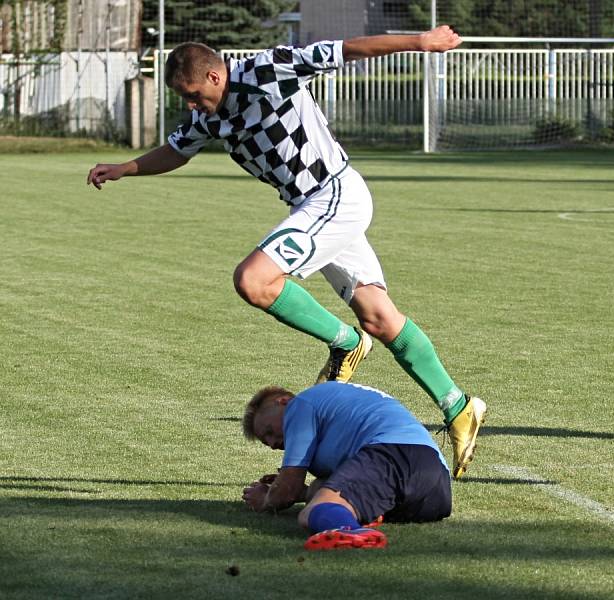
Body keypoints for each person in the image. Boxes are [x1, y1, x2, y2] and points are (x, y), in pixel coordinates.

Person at [86, 27, 486, 478]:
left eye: (194, 94)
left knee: (254, 280)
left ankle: (347, 343)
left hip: (333, 194)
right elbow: (177, 151)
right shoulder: (208, 117)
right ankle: (458, 406)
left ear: (215, 77)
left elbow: (345, 49)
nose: (191, 105)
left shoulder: (266, 70)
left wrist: (421, 41)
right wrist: (123, 169)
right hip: (312, 205)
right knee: (380, 317)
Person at [241, 382, 452, 550]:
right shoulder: (337, 410)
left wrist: (265, 499)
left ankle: (350, 530)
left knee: (309, 514)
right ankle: (355, 516)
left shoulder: (300, 405)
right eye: (265, 442)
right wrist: (303, 493)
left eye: (269, 431)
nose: (272, 444)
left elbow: (285, 492)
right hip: (436, 489)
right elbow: (326, 485)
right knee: (321, 497)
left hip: (392, 454)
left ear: (284, 401)